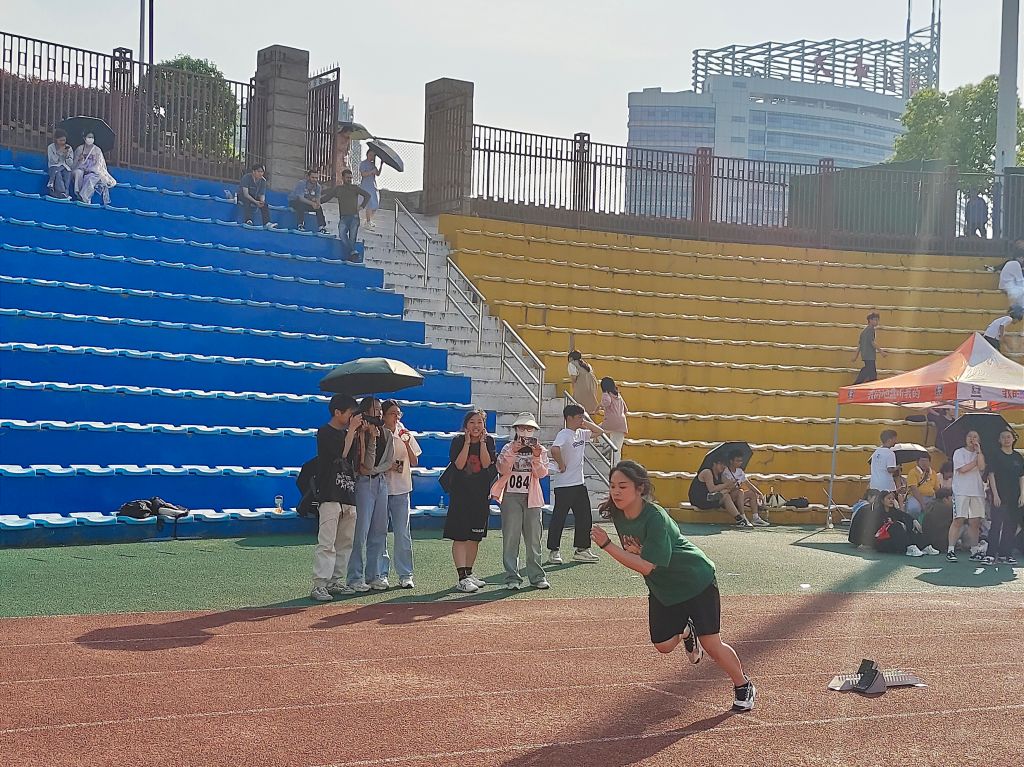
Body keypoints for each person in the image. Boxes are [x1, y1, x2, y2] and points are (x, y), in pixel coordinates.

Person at [591, 460, 756, 712]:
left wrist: (607, 546)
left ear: (640, 488)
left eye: (623, 486)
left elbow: (647, 566)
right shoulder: (618, 513)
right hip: (664, 588)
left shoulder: (655, 517)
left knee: (711, 643)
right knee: (663, 645)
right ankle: (686, 631)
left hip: (695, 580)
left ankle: (743, 685)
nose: (616, 492)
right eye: (612, 486)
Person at [491, 413, 550, 590]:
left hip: (532, 498)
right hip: (510, 496)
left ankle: (537, 576)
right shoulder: (508, 448)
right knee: (511, 538)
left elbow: (542, 474)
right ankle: (512, 577)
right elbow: (501, 469)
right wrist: (512, 452)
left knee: (534, 539)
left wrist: (536, 457)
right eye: (522, 428)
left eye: (529, 429)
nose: (525, 432)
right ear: (516, 429)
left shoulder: (540, 450)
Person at [310, 394, 361, 602]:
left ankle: (334, 580)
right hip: (330, 493)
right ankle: (320, 584)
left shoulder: (349, 433)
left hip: (348, 493)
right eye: (350, 413)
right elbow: (341, 454)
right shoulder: (325, 432)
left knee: (345, 542)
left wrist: (364, 434)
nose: (352, 418)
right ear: (337, 412)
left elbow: (356, 460)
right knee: (327, 542)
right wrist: (353, 432)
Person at [444, 409, 497, 593]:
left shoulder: (489, 441)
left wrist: (482, 443)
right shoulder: (458, 441)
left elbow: (486, 463)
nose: (476, 426)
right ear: (466, 425)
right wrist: (467, 443)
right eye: (472, 422)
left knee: (475, 537)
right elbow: (459, 465)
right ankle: (461, 578)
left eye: (480, 422)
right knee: (460, 536)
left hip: (480, 496)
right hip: (460, 496)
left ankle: (469, 572)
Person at [547, 403, 607, 563]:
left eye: (582, 416)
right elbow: (554, 449)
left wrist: (585, 422)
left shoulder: (581, 433)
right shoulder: (564, 434)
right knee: (559, 517)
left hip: (579, 483)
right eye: (579, 417)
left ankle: (582, 549)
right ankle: (554, 551)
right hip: (564, 485)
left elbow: (599, 432)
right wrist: (561, 464)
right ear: (569, 418)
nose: (582, 419)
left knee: (584, 517)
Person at [347, 397, 395, 591]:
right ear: (365, 411)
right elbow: (364, 465)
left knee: (379, 530)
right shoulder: (358, 433)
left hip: (380, 482)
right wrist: (370, 439)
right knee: (360, 531)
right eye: (375, 409)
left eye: (380, 409)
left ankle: (374, 574)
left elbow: (388, 462)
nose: (379, 412)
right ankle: (355, 577)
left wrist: (374, 470)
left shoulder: (386, 433)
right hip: (363, 484)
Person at [382, 400, 421, 589]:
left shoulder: (405, 433)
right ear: (383, 415)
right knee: (379, 533)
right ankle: (381, 574)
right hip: (380, 489)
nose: (396, 417)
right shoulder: (378, 432)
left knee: (402, 533)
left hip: (401, 488)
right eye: (392, 413)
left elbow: (414, 461)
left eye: (398, 413)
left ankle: (405, 574)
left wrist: (406, 443)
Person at [984, 428, 1024, 565]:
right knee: (996, 524)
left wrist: (1022, 494)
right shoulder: (995, 455)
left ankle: (1005, 554)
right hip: (1000, 495)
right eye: (1003, 437)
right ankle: (990, 554)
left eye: (1008, 437)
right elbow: (991, 475)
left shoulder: (1018, 457)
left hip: (1015, 496)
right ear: (999, 440)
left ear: (1013, 439)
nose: (1006, 440)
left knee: (1011, 525)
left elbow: (1021, 477)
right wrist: (995, 494)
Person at [947, 430, 987, 562]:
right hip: (961, 491)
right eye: (969, 436)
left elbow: (982, 467)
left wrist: (979, 452)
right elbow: (963, 469)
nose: (972, 439)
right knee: (958, 519)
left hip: (977, 490)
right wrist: (976, 461)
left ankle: (974, 550)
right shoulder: (959, 452)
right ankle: (951, 550)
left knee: (975, 522)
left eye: (975, 436)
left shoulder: (980, 454)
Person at [688, 457, 753, 528]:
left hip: (711, 497)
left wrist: (734, 484)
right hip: (700, 499)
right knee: (726, 496)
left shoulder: (720, 474)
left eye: (724, 465)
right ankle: (740, 520)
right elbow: (712, 489)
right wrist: (726, 485)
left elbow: (729, 486)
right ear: (714, 464)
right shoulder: (707, 472)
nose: (723, 466)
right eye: (721, 464)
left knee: (737, 492)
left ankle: (744, 516)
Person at [321, 168, 370, 262]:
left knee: (352, 238)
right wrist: (317, 202)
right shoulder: (338, 189)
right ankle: (353, 252)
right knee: (342, 234)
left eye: (350, 178)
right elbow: (327, 197)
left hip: (354, 217)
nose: (349, 179)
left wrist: (362, 206)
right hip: (343, 217)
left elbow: (367, 195)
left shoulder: (355, 188)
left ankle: (352, 255)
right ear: (343, 178)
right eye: (347, 177)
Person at [871, 490, 937, 557]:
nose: (891, 500)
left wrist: (914, 521)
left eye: (893, 499)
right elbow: (876, 531)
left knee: (909, 524)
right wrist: (890, 524)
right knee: (897, 526)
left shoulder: (894, 511)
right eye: (889, 498)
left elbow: (905, 515)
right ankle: (909, 547)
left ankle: (923, 546)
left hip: (893, 539)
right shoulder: (876, 513)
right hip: (883, 541)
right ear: (882, 500)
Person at [723, 450, 769, 526]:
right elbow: (727, 487)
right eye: (737, 461)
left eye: (741, 461)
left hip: (739, 495)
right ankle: (743, 517)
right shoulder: (725, 472)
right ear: (731, 461)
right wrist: (734, 484)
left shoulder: (740, 471)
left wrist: (759, 493)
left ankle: (755, 518)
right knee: (740, 491)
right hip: (730, 497)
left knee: (752, 493)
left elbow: (748, 483)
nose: (740, 463)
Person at [71, 132, 116, 205]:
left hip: (93, 171)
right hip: (80, 169)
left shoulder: (97, 150)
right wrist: (80, 161)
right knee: (78, 173)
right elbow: (74, 163)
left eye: (92, 137)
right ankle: (77, 192)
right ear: (84, 138)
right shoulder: (80, 149)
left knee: (91, 178)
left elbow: (99, 165)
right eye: (89, 137)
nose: (90, 139)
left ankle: (84, 197)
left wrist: (90, 169)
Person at [597, 377, 628, 465]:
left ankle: (606, 444)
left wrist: (600, 405)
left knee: (596, 429)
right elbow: (626, 410)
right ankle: (616, 466)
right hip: (622, 423)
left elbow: (607, 402)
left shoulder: (606, 394)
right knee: (617, 448)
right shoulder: (619, 396)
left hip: (610, 421)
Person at [289, 168, 327, 233]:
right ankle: (300, 225)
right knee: (301, 204)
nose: (315, 179)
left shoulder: (318, 186)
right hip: (294, 201)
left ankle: (321, 227)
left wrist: (317, 204)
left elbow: (318, 198)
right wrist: (312, 203)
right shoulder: (302, 183)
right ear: (308, 177)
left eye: (316, 178)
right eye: (313, 177)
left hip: (307, 203)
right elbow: (300, 198)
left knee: (319, 208)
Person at [851, 312, 884, 384]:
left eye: (877, 320)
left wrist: (855, 356)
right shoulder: (871, 330)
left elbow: (860, 345)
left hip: (865, 355)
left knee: (869, 371)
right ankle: (857, 384)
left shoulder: (864, 331)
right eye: (875, 320)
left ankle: (859, 383)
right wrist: (881, 351)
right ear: (870, 320)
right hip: (870, 355)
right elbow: (872, 342)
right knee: (871, 372)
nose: (877, 322)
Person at [238, 163, 273, 228]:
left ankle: (267, 223)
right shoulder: (246, 177)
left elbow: (262, 194)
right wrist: (255, 202)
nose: (261, 174)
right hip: (243, 195)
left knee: (264, 205)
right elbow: (246, 194)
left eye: (262, 172)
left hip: (254, 196)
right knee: (247, 201)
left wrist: (262, 201)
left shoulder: (263, 181)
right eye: (259, 171)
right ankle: (248, 220)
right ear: (253, 172)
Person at [905, 454, 940, 520]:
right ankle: (914, 523)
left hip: (931, 497)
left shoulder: (933, 473)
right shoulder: (912, 472)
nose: (924, 463)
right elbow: (914, 489)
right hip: (915, 497)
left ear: (929, 462)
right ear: (917, 462)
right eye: (922, 461)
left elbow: (937, 488)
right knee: (914, 509)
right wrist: (922, 504)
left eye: (926, 461)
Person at [921, 488, 955, 552]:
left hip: (928, 542)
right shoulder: (948, 508)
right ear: (945, 499)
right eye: (951, 498)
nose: (953, 501)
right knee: (962, 524)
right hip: (942, 544)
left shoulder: (929, 505)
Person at [868, 430, 900, 498]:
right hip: (887, 486)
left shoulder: (876, 452)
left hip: (874, 485)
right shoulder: (890, 453)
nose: (896, 441)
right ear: (889, 440)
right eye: (894, 439)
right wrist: (897, 467)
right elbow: (890, 469)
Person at [46, 128, 74, 199]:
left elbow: (70, 164)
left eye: (64, 140)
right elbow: (52, 161)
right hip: (54, 166)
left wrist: (67, 156)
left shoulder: (69, 148)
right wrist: (59, 152)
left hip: (65, 166)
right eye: (60, 140)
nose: (62, 142)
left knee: (67, 173)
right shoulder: (51, 147)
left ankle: (66, 192)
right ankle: (62, 192)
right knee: (57, 172)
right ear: (56, 139)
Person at [359, 148, 382, 229]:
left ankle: (368, 220)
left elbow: (377, 173)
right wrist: (371, 172)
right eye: (370, 155)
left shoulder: (372, 165)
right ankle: (368, 221)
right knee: (369, 203)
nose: (372, 157)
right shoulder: (363, 163)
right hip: (366, 185)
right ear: (367, 155)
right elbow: (363, 174)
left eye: (373, 155)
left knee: (375, 204)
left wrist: (381, 165)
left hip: (373, 185)